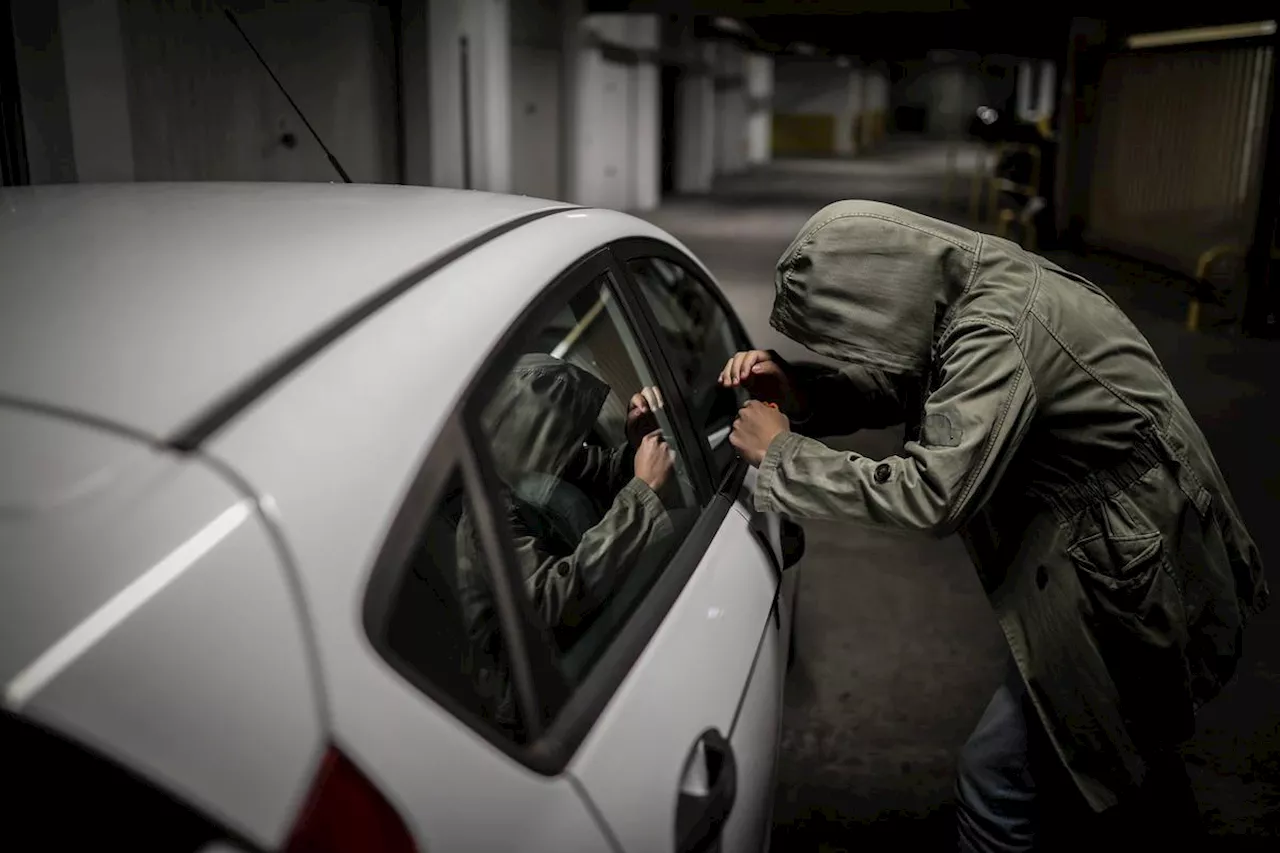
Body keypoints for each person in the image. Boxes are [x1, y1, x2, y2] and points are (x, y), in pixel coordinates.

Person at [721, 200, 1268, 850]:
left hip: (1125, 561)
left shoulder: (995, 328)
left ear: (878, 292)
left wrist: (784, 452)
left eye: (848, 327)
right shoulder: (969, 281)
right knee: (1122, 747)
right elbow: (918, 380)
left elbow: (932, 492)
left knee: (1002, 775)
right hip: (1116, 540)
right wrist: (803, 391)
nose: (852, 344)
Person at [456, 353, 679, 732]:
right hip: (550, 706)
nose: (574, 448)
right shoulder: (487, 519)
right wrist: (641, 495)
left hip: (592, 651)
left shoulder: (530, 462)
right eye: (561, 434)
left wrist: (634, 444)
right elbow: (548, 601)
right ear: (530, 431)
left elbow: (598, 471)